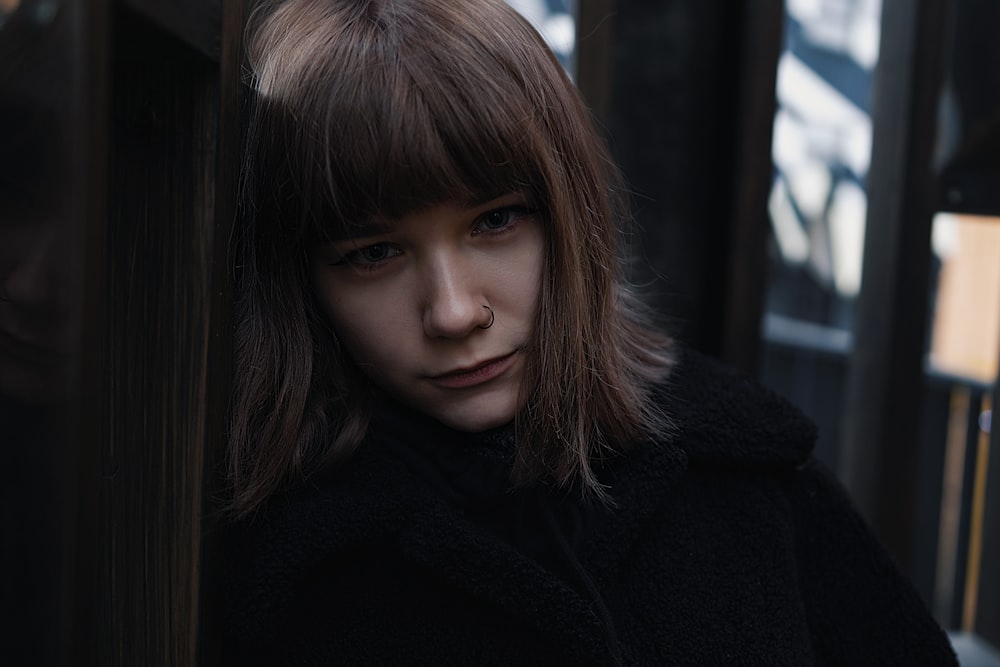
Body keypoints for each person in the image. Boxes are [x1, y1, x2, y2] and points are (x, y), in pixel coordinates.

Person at [221, 0, 958, 664]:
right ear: (305, 281)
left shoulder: (744, 467)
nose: (453, 312)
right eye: (374, 253)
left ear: (569, 213)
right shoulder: (278, 561)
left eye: (496, 220)